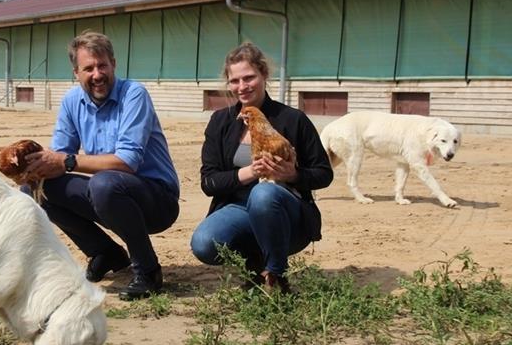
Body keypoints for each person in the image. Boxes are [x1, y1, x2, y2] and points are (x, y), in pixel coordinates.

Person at [24, 31, 180, 300]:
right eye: (88, 68)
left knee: (104, 183)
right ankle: (104, 252)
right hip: (109, 192)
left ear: (113, 65)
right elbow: (59, 155)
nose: (97, 74)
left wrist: (67, 161)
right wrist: (34, 170)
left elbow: (127, 162)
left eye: (102, 65)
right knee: (39, 189)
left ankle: (148, 269)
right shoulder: (73, 102)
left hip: (156, 200)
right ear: (76, 73)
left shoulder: (134, 94)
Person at [190, 42, 333, 291]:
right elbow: (209, 182)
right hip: (238, 208)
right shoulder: (221, 121)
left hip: (286, 212)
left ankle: (276, 273)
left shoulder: (293, 119)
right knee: (204, 243)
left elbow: (323, 173)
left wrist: (294, 174)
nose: (242, 87)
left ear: (264, 75)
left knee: (264, 193)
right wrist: (251, 172)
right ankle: (255, 264)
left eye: (249, 77)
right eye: (235, 81)